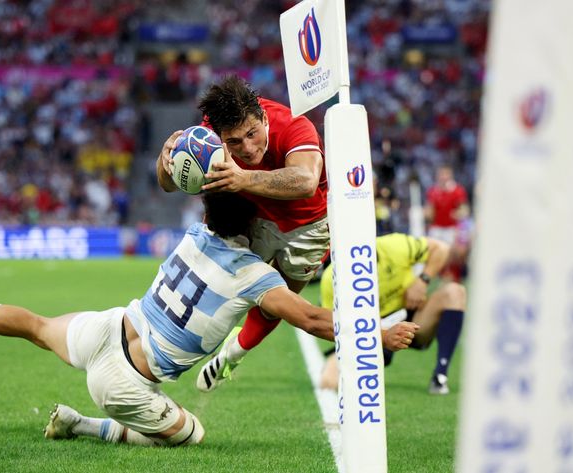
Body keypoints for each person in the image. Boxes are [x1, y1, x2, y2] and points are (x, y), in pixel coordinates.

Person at [0, 192, 417, 446]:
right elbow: (312, 319)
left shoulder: (195, 233)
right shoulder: (256, 278)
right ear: (257, 223)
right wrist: (380, 331)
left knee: (36, 325)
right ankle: (81, 425)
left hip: (109, 326)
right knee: (192, 434)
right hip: (124, 382)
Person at [156, 75, 331, 392]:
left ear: (264, 118)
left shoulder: (293, 125)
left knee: (278, 302)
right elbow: (168, 185)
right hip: (253, 215)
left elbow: (306, 182)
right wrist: (166, 160)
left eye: (253, 134)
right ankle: (165, 350)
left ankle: (234, 352)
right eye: (234, 142)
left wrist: (243, 179)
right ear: (220, 135)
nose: (248, 148)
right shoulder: (209, 131)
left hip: (309, 225)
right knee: (221, 284)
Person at [319, 233, 466, 395]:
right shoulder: (331, 279)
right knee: (328, 381)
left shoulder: (394, 246)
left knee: (455, 292)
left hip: (411, 319)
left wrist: (422, 281)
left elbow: (441, 249)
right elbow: (332, 324)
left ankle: (440, 375)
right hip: (367, 333)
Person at [424, 165, 469, 281]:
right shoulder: (433, 191)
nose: (443, 177)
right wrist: (426, 214)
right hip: (437, 228)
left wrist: (459, 214)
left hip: (451, 228)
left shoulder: (457, 190)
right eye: (441, 174)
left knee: (451, 254)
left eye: (446, 174)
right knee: (435, 253)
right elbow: (430, 210)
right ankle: (437, 275)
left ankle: (452, 275)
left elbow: (464, 209)